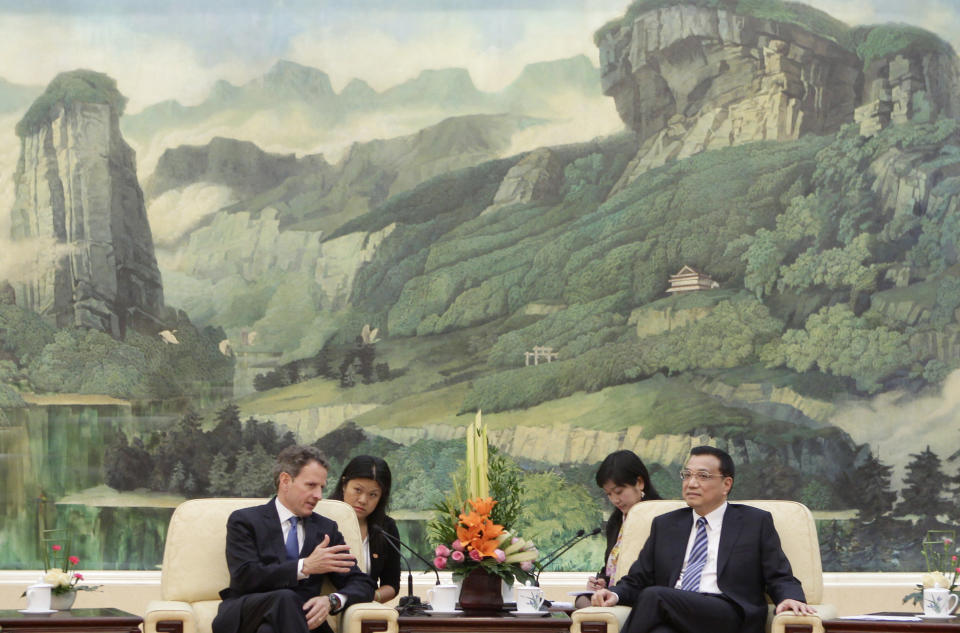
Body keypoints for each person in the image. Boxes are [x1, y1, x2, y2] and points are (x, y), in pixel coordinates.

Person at [590, 445, 815, 633]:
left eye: (703, 476)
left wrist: (791, 598)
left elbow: (779, 575)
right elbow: (638, 580)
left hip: (729, 613)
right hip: (676, 611)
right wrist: (615, 593)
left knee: (655, 595)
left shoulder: (754, 522)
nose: (691, 483)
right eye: (687, 475)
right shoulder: (665, 525)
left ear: (726, 484)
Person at [212, 445, 376, 633]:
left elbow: (362, 583)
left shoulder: (325, 530)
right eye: (311, 485)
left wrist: (332, 600)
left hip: (298, 622)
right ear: (285, 480)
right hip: (248, 613)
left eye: (321, 487)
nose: (318, 496)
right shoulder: (245, 521)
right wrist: (303, 567)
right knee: (285, 598)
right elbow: (244, 577)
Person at [575, 450, 662, 608]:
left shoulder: (661, 518)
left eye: (619, 492)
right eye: (609, 494)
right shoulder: (616, 521)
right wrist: (602, 582)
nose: (615, 500)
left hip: (641, 596)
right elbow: (612, 564)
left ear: (640, 482)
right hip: (614, 595)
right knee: (582, 600)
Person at [330, 455, 401, 604]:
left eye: (373, 495)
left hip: (364, 611)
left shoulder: (386, 528)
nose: (363, 500)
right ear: (344, 485)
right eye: (357, 490)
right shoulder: (322, 520)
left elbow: (391, 584)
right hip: (325, 608)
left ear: (381, 497)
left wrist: (368, 597)